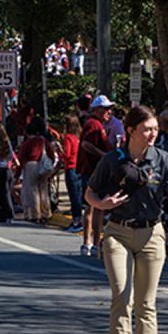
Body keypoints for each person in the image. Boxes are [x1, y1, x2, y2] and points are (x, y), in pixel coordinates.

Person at [85, 105, 168, 334]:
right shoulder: (112, 160)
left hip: (151, 234)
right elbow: (90, 193)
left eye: (155, 129)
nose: (153, 133)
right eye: (147, 129)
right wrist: (102, 204)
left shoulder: (163, 160)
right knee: (122, 296)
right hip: (118, 232)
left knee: (146, 303)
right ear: (131, 130)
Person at [78, 95, 115, 256]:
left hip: (94, 170)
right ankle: (92, 243)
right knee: (95, 207)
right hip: (93, 170)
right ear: (98, 109)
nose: (109, 112)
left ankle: (90, 243)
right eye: (106, 109)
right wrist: (103, 155)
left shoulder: (96, 124)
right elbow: (87, 144)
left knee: (93, 207)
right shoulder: (93, 124)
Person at [18, 118, 56, 223]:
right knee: (43, 190)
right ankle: (46, 213)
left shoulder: (27, 143)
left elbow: (21, 158)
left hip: (31, 165)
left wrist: (17, 173)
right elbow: (51, 155)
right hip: (43, 166)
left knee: (32, 191)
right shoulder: (44, 141)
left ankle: (35, 214)